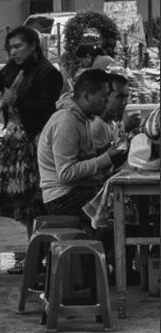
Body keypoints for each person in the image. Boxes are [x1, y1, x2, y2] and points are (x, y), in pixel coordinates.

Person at [0, 25, 64, 237]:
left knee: (33, 199)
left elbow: (46, 109)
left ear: (33, 45)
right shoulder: (13, 67)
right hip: (13, 141)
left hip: (35, 142)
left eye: (18, 47)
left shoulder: (48, 73)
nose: (13, 52)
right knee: (20, 201)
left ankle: (39, 248)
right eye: (10, 48)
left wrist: (18, 101)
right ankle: (31, 247)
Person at [37, 69, 127, 221]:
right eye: (103, 97)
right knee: (121, 214)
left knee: (125, 202)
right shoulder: (67, 121)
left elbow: (85, 158)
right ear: (86, 96)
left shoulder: (83, 119)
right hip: (62, 197)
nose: (106, 102)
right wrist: (105, 158)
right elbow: (66, 174)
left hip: (77, 190)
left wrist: (111, 154)